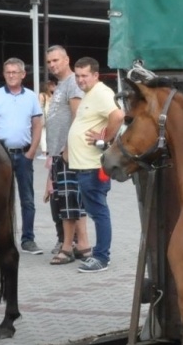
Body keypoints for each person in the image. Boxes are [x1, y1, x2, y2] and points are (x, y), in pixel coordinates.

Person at [65, 57, 124, 273]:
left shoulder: (101, 93)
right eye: (77, 76)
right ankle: (100, 255)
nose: (80, 80)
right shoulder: (90, 94)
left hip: (92, 166)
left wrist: (106, 138)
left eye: (84, 76)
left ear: (95, 75)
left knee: (99, 212)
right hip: (85, 165)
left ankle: (101, 257)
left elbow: (118, 115)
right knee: (95, 210)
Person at [0, 58, 45, 254]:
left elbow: (37, 125)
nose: (11, 75)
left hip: (24, 154)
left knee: (27, 199)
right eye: (7, 72)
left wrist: (32, 152)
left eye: (15, 72)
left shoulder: (32, 97)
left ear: (23, 74)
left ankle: (28, 239)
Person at [41, 44, 87, 264]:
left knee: (70, 202)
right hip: (58, 153)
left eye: (56, 60)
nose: (52, 65)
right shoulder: (59, 85)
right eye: (49, 62)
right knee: (65, 201)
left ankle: (69, 247)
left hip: (69, 153)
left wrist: (68, 147)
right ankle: (79, 245)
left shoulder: (72, 84)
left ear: (67, 60)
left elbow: (78, 117)